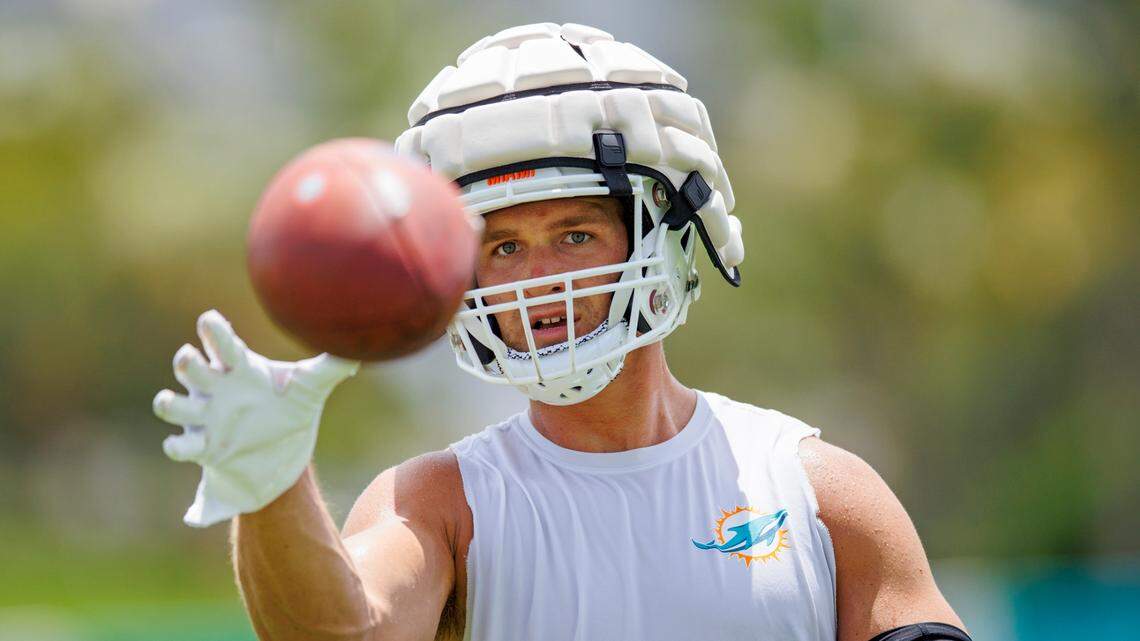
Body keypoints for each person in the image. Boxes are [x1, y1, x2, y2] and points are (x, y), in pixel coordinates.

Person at [153, 23, 970, 641]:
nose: (537, 275)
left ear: (662, 233)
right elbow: (341, 632)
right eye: (503, 245)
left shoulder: (822, 491)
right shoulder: (441, 502)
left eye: (575, 233)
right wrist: (269, 481)